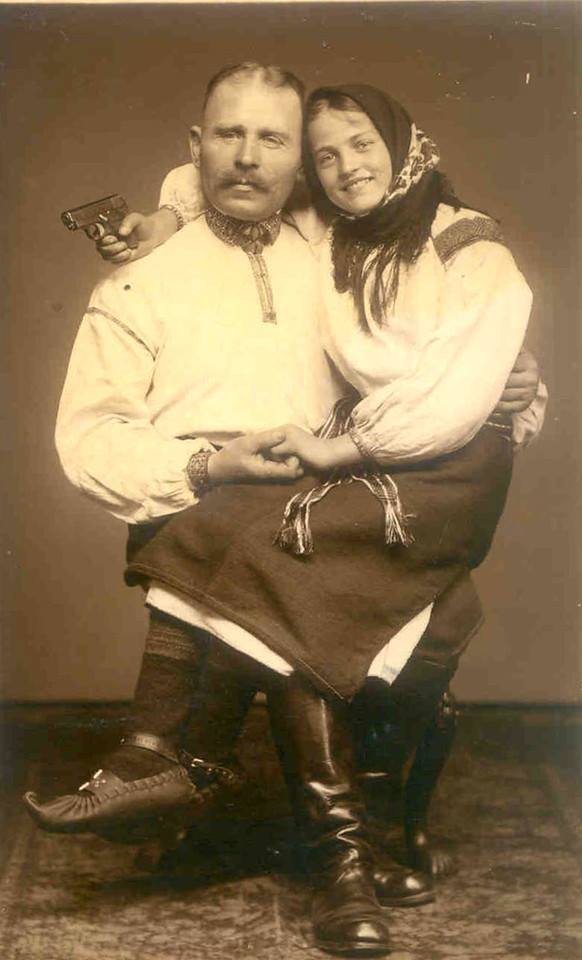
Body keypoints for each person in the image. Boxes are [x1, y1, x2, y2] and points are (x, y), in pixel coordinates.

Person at [24, 64, 544, 957]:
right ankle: (342, 863)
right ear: (196, 146)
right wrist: (206, 462)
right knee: (293, 581)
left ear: (299, 164)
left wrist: (515, 375)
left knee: (403, 601)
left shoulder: (332, 236)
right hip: (203, 506)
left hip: (347, 491)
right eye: (229, 135)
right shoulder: (140, 282)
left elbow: (438, 327)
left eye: (273, 140)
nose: (248, 158)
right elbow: (91, 441)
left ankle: (176, 764)